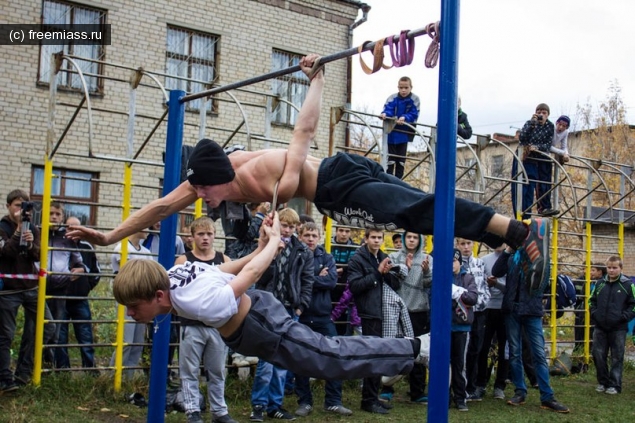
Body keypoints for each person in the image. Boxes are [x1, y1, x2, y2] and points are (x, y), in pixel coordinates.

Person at [67, 53, 551, 316]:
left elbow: (301, 135)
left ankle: (519, 232)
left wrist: (316, 79)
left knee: (418, 211)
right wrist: (108, 235)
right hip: (340, 184)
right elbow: (157, 208)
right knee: (418, 211)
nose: (204, 205)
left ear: (219, 181)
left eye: (206, 196)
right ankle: (506, 238)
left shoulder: (256, 173)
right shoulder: (204, 181)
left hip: (340, 185)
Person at [111, 213, 429, 402]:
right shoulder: (172, 275)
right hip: (257, 321)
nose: (131, 314)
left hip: (262, 325)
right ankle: (401, 354)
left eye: (134, 307)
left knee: (330, 358)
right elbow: (228, 268)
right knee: (322, 358)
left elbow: (249, 275)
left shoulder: (200, 301)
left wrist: (274, 241)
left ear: (156, 295)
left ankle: (412, 349)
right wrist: (263, 246)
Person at [250, 208, 313, 422]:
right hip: (269, 308)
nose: (287, 230)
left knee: (282, 361)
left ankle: (274, 405)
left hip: (289, 308)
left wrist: (300, 307)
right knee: (266, 360)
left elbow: (307, 281)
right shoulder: (268, 246)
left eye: (291, 227)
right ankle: (258, 405)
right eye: (284, 225)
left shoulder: (302, 251)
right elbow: (260, 275)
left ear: (297, 228)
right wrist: (273, 253)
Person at [173, 217, 237, 423]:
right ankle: (193, 411)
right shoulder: (184, 260)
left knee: (218, 371)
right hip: (191, 326)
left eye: (209, 234)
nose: (205, 238)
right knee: (189, 370)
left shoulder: (223, 260)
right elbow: (176, 292)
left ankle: (219, 411)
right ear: (192, 237)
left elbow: (233, 289)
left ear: (214, 236)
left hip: (218, 327)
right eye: (201, 234)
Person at [493, 245, 569, 413]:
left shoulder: (540, 258)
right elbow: (497, 271)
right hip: (512, 310)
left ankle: (547, 396)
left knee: (539, 354)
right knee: (514, 353)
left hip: (532, 311)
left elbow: (544, 284)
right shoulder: (512, 257)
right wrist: (506, 252)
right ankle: (520, 391)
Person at [293, 222, 353, 417]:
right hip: (302, 316)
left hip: (323, 316)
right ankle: (305, 402)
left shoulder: (327, 257)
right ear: (300, 236)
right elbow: (293, 283)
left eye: (314, 235)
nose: (310, 239)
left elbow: (331, 281)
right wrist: (315, 277)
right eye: (307, 235)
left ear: (319, 237)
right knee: (301, 359)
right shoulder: (295, 256)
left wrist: (308, 279)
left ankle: (333, 401)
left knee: (335, 356)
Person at [348, 228, 407, 414]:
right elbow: (355, 286)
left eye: (379, 238)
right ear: (366, 239)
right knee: (372, 357)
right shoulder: (357, 259)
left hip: (385, 313)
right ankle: (367, 400)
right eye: (372, 237)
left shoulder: (383, 256)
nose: (376, 241)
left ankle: (373, 397)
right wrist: (377, 273)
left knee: (379, 355)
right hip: (368, 313)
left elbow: (395, 285)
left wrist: (390, 272)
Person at [0, 190, 55, 390]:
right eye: (17, 205)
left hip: (31, 287)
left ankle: (23, 372)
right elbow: (5, 252)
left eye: (26, 207)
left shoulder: (34, 228)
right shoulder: (2, 227)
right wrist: (17, 233)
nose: (21, 211)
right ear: (8, 206)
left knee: (47, 327)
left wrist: (31, 243)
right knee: (6, 334)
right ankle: (4, 379)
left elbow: (38, 256)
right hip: (8, 290)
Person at [384, 232, 432, 403]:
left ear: (420, 240)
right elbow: (389, 281)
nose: (412, 240)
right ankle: (386, 387)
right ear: (404, 239)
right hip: (396, 309)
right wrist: (405, 268)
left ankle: (417, 391)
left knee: (419, 350)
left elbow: (429, 284)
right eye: (409, 237)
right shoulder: (393, 256)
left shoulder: (427, 258)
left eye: (415, 237)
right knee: (393, 347)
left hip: (418, 310)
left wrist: (426, 272)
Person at [57, 216, 101, 370]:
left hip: (80, 299)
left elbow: (96, 272)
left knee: (85, 337)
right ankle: (63, 372)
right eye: (70, 227)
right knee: (60, 338)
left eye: (77, 228)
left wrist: (86, 285)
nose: (73, 231)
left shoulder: (87, 247)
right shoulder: (58, 245)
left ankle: (90, 370)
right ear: (64, 228)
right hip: (60, 298)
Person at [45, 202, 86, 368]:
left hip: (60, 290)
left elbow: (80, 262)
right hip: (38, 290)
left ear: (62, 217)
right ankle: (31, 368)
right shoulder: (38, 234)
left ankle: (48, 367)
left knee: (56, 331)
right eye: (51, 213)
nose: (54, 217)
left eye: (57, 214)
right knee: (36, 330)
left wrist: (79, 270)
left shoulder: (67, 239)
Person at [589, 256, 635, 395]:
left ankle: (615, 385)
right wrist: (595, 314)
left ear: (621, 268)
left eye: (615, 267)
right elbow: (592, 301)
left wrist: (623, 318)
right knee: (598, 354)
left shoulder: (628, 285)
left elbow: (633, 305)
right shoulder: (599, 283)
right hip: (600, 326)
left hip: (618, 328)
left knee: (617, 356)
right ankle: (603, 382)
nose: (612, 270)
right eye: (609, 267)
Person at [110, 230, 153, 379]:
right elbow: (129, 275)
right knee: (126, 342)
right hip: (126, 300)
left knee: (137, 343)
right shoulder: (122, 248)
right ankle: (113, 378)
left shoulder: (146, 252)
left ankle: (128, 379)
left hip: (141, 300)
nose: (148, 230)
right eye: (145, 227)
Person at [455, 238, 489, 401]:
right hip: (461, 312)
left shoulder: (480, 263)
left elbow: (484, 287)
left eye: (468, 243)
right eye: (462, 244)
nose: (466, 247)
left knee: (476, 348)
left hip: (478, 311)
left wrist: (481, 302)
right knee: (461, 350)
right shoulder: (455, 264)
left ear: (473, 245)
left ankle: (472, 386)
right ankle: (460, 387)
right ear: (457, 246)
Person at [512, 103, 558, 219]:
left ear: (548, 115)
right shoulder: (530, 123)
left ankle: (541, 208)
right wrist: (532, 123)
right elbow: (522, 138)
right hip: (525, 157)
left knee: (535, 184)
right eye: (539, 112)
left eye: (544, 113)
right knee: (522, 186)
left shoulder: (549, 126)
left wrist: (536, 147)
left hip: (537, 158)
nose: (541, 115)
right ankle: (521, 214)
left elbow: (547, 145)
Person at [474, 244, 508, 400]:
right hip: (487, 309)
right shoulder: (483, 260)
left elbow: (513, 288)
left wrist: (497, 284)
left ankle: (500, 386)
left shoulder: (512, 260)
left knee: (504, 349)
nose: (498, 242)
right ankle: (480, 384)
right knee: (482, 347)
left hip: (505, 309)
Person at [449, 248, 478, 412]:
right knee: (444, 365)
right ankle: (444, 397)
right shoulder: (440, 276)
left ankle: (460, 397)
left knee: (459, 365)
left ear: (460, 261)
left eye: (454, 260)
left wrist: (456, 291)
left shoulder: (467, 277)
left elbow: (473, 298)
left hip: (461, 326)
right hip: (444, 328)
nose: (451, 264)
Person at [379, 76, 420, 180]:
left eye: (406, 87)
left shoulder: (415, 99)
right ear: (398, 87)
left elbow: (414, 113)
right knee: (391, 159)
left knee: (401, 160)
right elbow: (389, 109)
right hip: (392, 132)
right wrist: (385, 114)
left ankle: (398, 180)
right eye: (401, 87)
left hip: (405, 133)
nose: (403, 90)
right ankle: (387, 179)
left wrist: (405, 118)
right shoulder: (393, 98)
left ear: (411, 87)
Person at [330, 225, 359, 336]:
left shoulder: (356, 249)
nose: (344, 234)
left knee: (344, 324)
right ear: (336, 231)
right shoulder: (328, 245)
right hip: (331, 290)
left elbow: (356, 265)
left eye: (347, 231)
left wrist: (344, 269)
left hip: (347, 290)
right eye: (341, 230)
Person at [573, 263, 606, 353]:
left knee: (593, 339)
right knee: (581, 337)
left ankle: (590, 358)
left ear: (600, 272)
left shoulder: (604, 283)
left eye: (593, 270)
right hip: (584, 313)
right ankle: (580, 357)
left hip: (595, 315)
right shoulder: (589, 281)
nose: (590, 272)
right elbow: (582, 296)